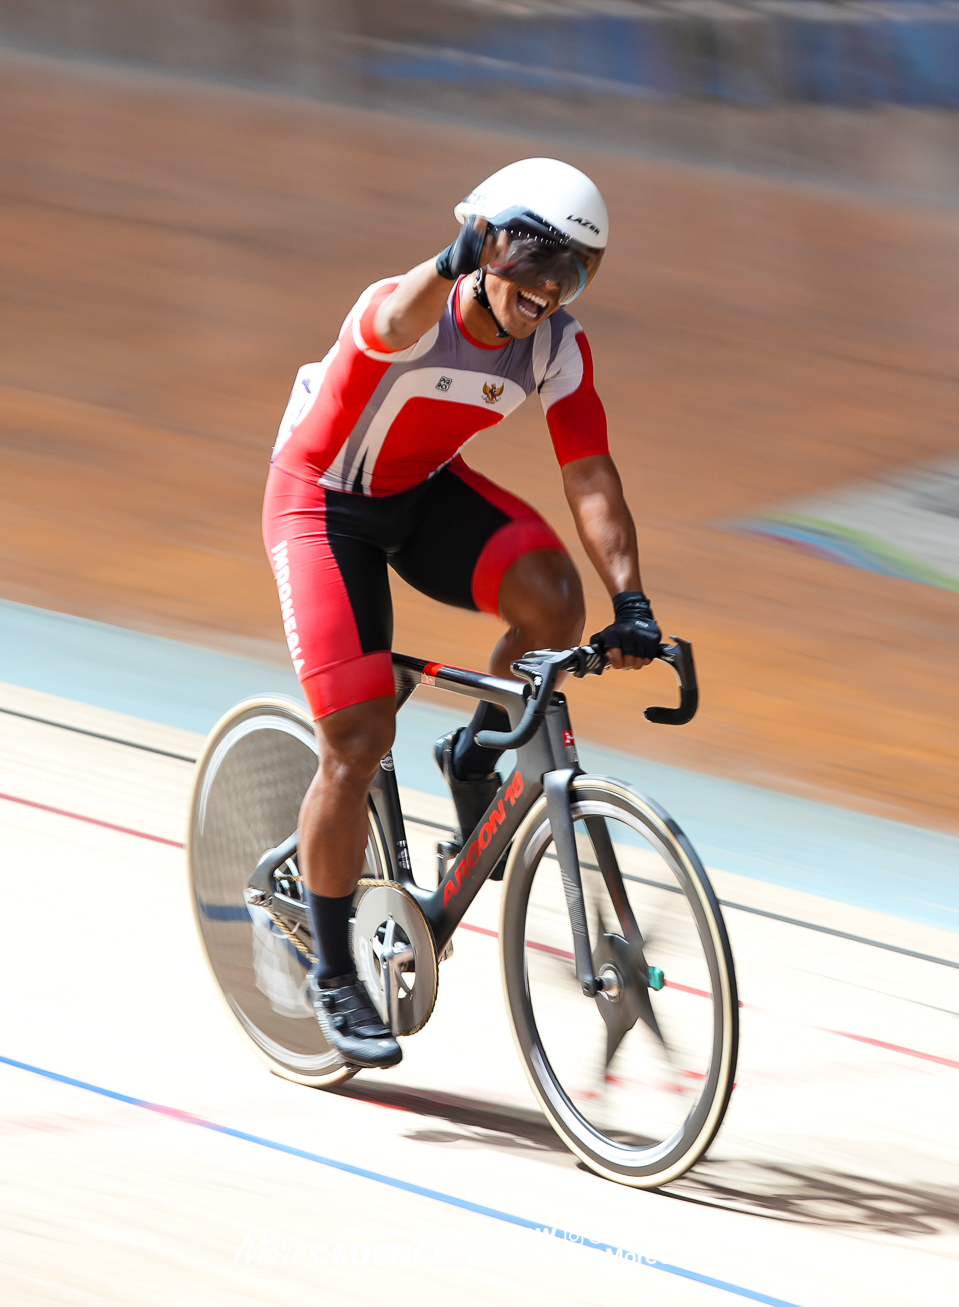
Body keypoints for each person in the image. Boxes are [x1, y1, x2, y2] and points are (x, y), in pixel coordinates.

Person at [262, 158, 665, 1068]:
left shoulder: (556, 344)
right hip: (323, 508)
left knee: (554, 602)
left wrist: (631, 599)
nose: (552, 288)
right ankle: (332, 972)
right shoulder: (407, 306)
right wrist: (451, 261)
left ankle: (475, 746)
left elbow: (589, 473)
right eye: (537, 259)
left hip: (418, 496)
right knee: (356, 744)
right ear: (488, 243)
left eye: (578, 271)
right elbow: (394, 320)